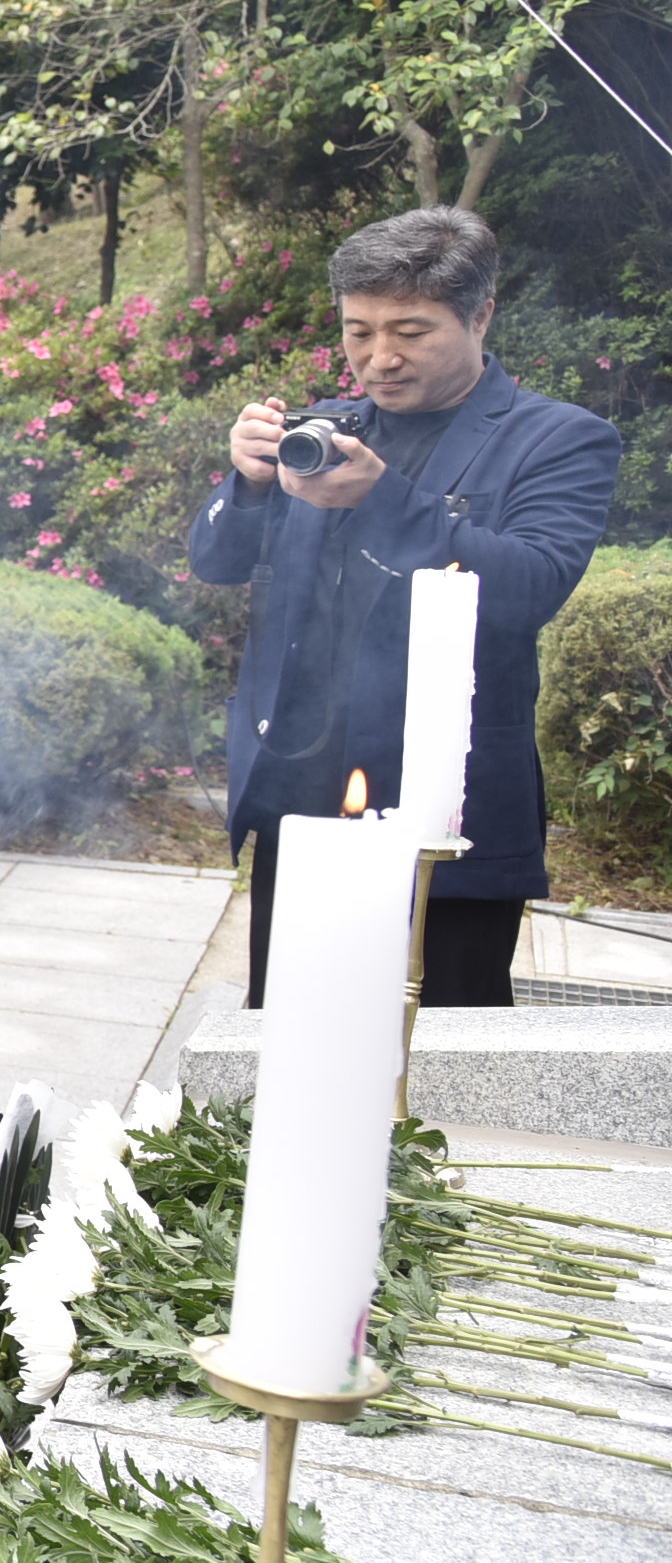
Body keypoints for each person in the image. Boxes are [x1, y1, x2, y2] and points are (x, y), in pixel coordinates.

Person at [190, 206, 619, 1005]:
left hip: (443, 821)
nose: (379, 359)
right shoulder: (329, 427)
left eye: (411, 332)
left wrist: (385, 498)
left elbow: (529, 588)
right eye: (358, 332)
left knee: (437, 1069)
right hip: (301, 805)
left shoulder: (557, 438)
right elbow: (215, 561)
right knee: (285, 1051)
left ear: (481, 313)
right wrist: (245, 483)